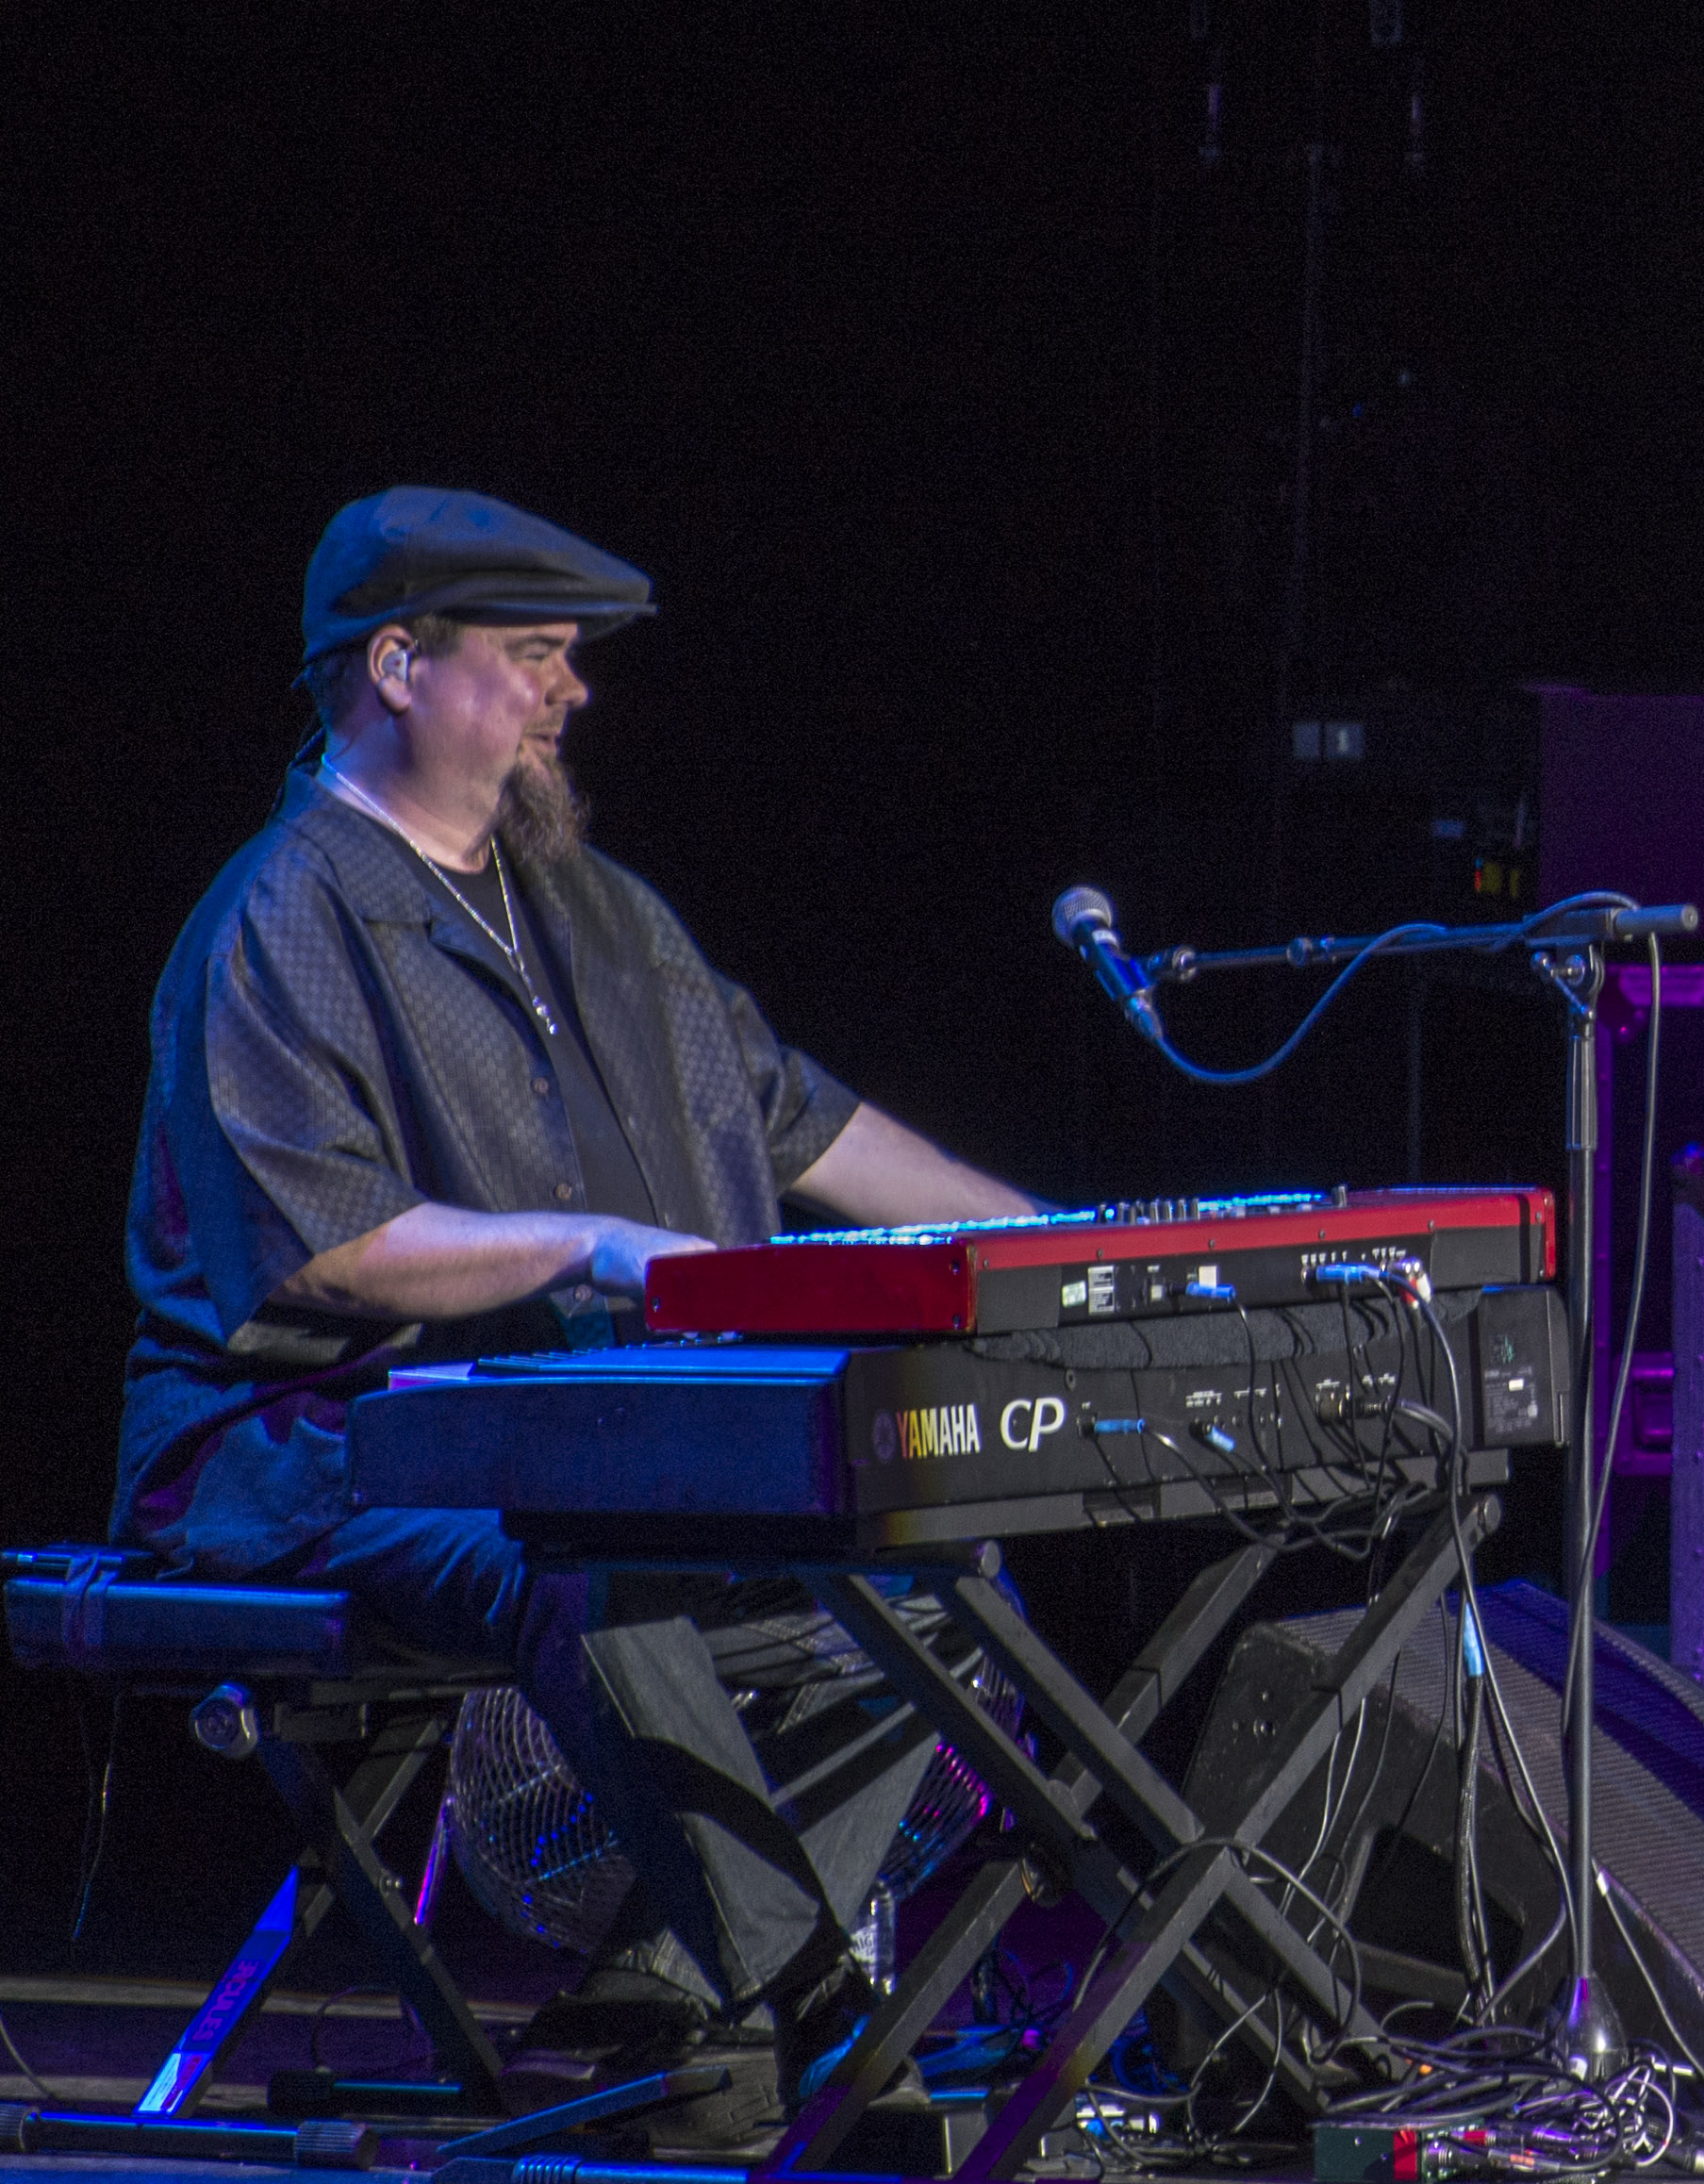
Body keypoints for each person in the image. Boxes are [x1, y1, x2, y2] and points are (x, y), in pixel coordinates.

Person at [121, 488, 1040, 2130]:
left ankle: (676, 1999)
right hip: (321, 1453)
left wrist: (1061, 1248)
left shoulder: (604, 916)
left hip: (582, 1446)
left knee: (945, 1585)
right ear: (396, 667)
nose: (574, 690)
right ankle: (821, 2012)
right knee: (581, 1566)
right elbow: (326, 1252)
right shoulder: (279, 918)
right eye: (535, 654)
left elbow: (805, 1125)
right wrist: (593, 1244)